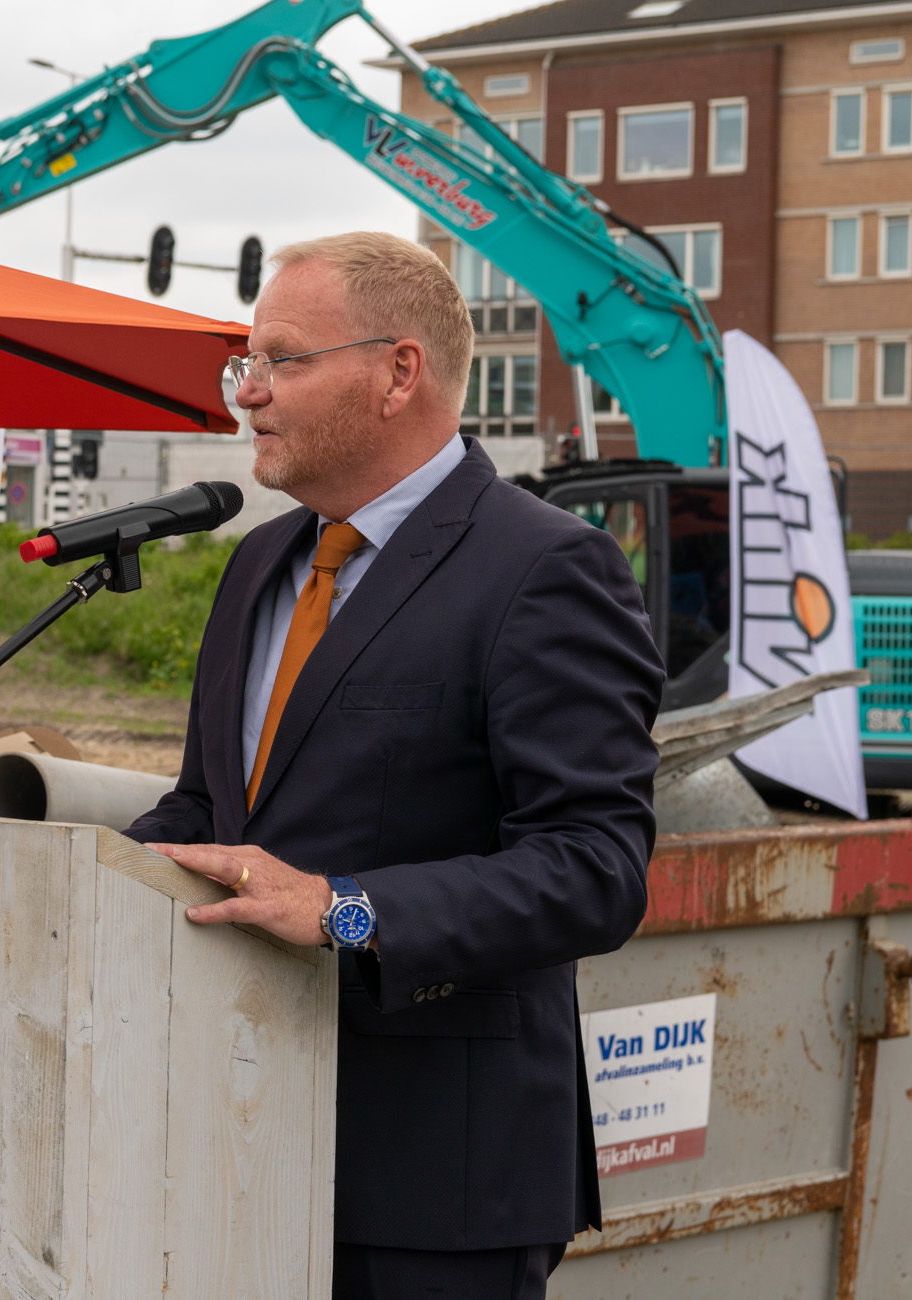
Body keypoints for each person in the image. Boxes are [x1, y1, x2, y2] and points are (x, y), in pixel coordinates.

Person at [126, 231, 663, 1300]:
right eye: (245, 364)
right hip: (232, 1137)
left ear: (398, 372)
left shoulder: (546, 567)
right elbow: (209, 805)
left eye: (282, 360)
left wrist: (345, 909)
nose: (248, 393)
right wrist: (82, 868)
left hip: (436, 1181)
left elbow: (595, 867)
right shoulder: (258, 563)